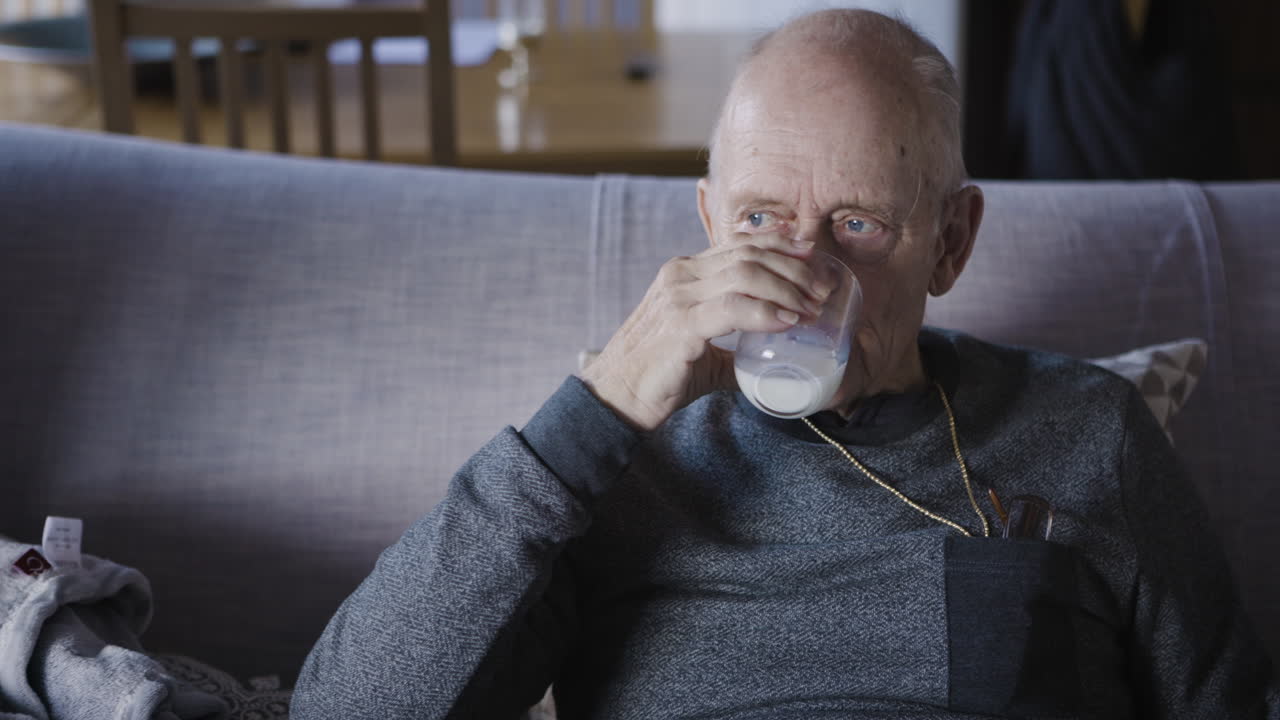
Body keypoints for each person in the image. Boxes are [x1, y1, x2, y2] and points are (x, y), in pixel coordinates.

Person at [291, 9, 1278, 719]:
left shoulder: (1085, 427)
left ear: (947, 243)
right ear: (711, 221)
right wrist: (591, 413)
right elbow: (346, 708)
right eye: (761, 221)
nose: (801, 275)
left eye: (854, 224)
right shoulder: (611, 460)